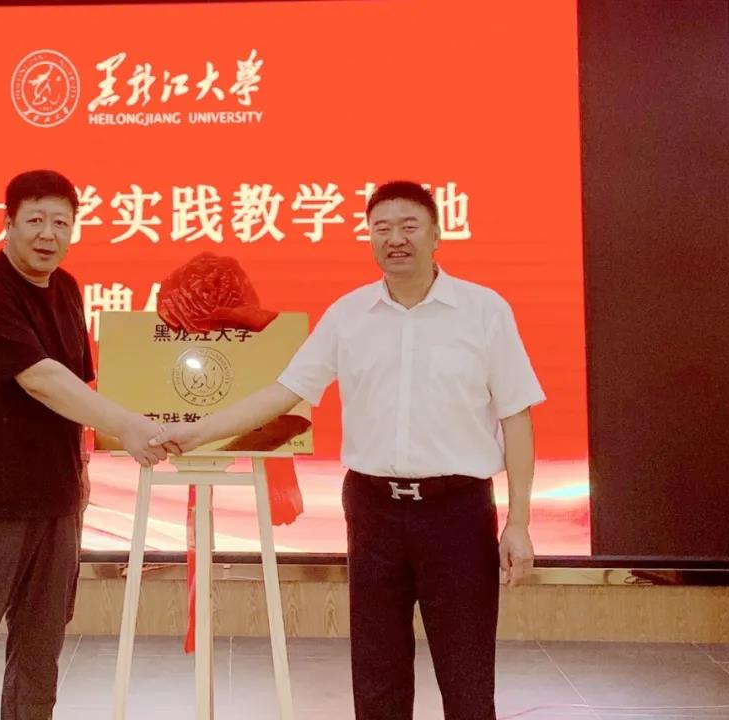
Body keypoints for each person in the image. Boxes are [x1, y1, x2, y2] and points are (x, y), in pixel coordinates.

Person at [151, 180, 543, 720]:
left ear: (437, 234)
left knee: (467, 674)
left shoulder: (484, 311)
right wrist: (198, 432)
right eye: (382, 228)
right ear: (370, 237)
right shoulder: (348, 315)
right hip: (373, 509)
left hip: (457, 513)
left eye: (409, 226)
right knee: (377, 676)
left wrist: (519, 522)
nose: (395, 239)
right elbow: (283, 393)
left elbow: (517, 416)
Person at [0, 169, 166, 720]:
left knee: (40, 654)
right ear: (8, 223)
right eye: (35, 220)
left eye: (61, 223)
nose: (48, 234)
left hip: (56, 506)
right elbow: (42, 380)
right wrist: (129, 426)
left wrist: (83, 471)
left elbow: (77, 388)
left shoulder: (67, 289)